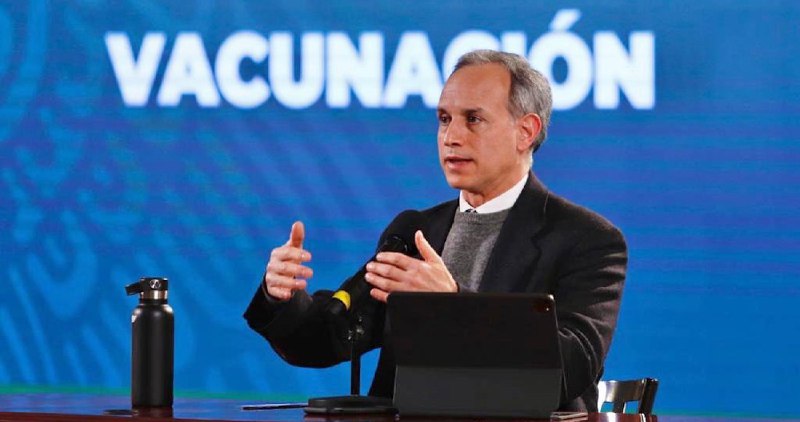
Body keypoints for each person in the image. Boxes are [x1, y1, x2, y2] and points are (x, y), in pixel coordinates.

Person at [244, 49, 627, 411]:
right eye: (444, 119)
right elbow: (332, 337)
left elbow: (569, 367)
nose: (451, 137)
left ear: (525, 131)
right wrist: (282, 297)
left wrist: (452, 305)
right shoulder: (417, 231)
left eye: (473, 119)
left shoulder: (588, 239)